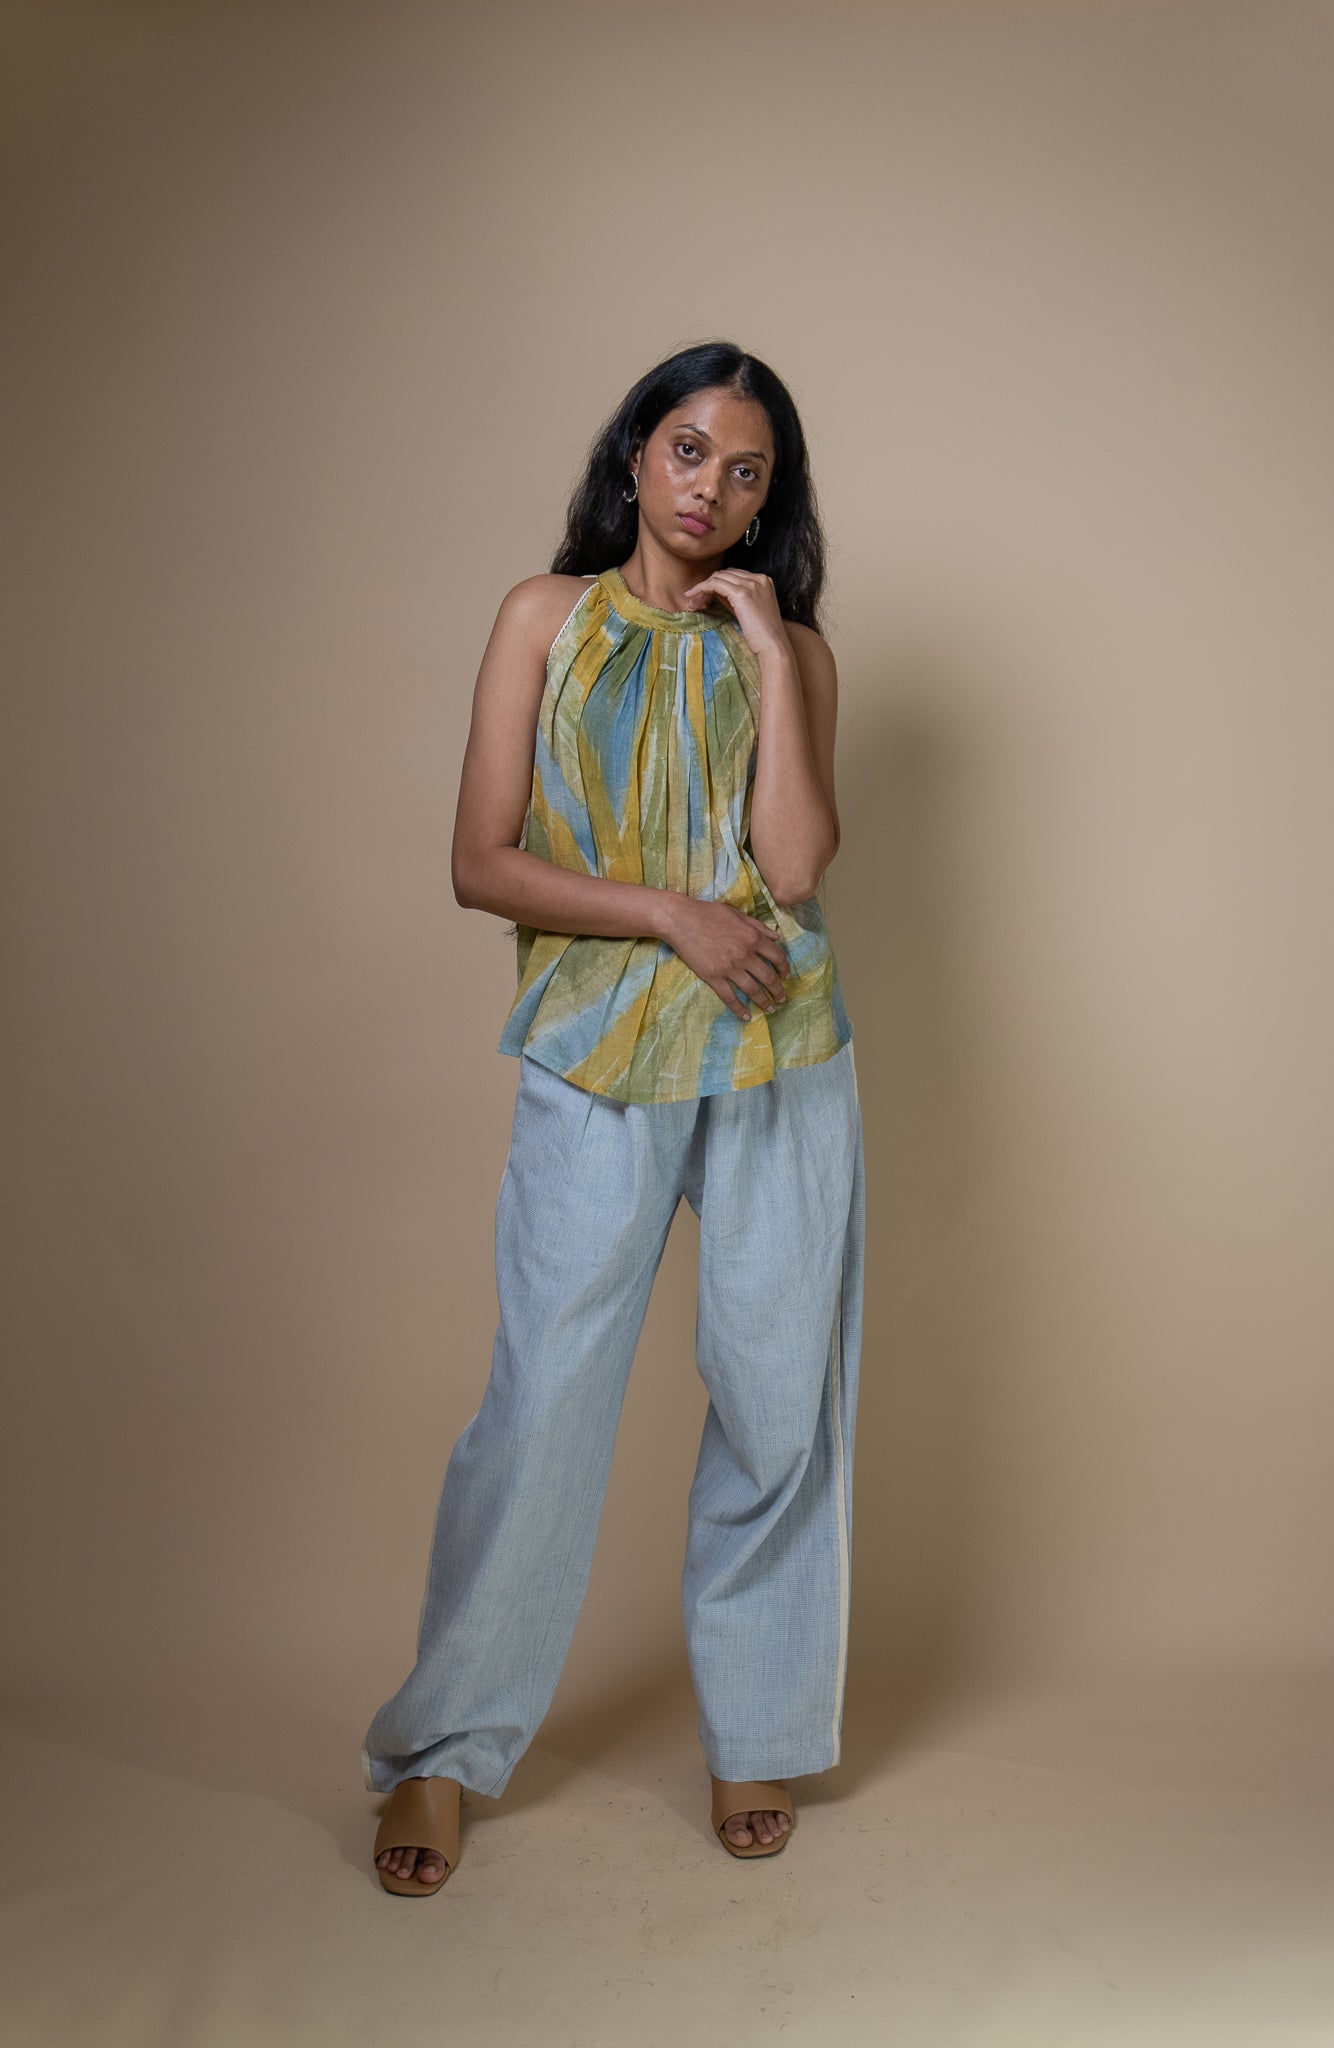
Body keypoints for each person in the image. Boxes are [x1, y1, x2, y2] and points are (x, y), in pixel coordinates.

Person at [363, 339, 866, 1894]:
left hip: (779, 1053)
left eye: (748, 471)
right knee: (544, 1402)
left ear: (769, 501)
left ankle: (754, 1730)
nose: (712, 487)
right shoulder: (545, 616)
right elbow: (480, 861)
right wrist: (667, 915)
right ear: (638, 451)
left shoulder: (796, 648)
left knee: (779, 1402)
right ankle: (445, 1747)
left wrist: (769, 651)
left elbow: (794, 870)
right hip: (596, 1050)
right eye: (691, 450)